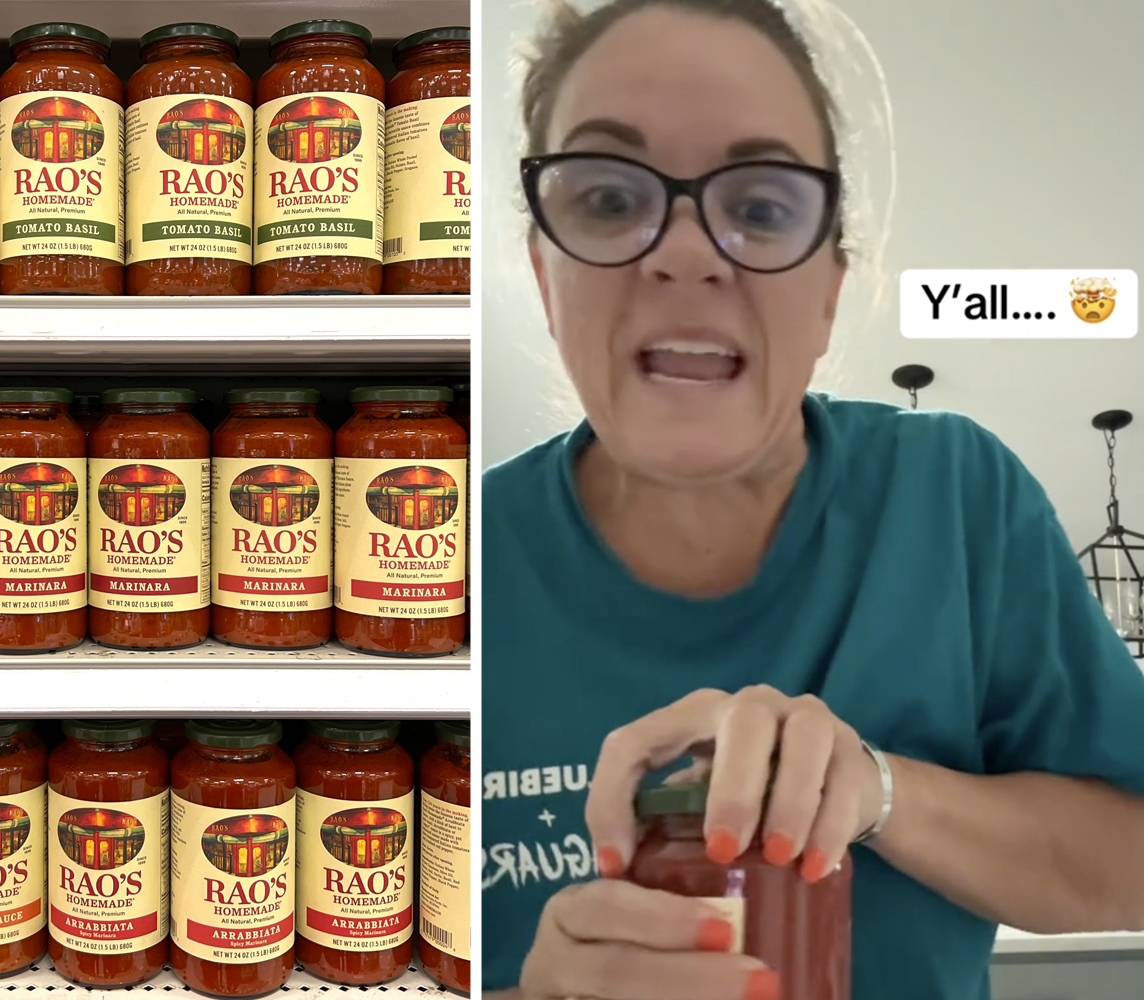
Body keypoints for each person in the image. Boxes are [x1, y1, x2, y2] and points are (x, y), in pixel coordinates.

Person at [480, 1, 1144, 997]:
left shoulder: (956, 495)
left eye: (758, 208)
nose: (686, 252)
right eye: (609, 199)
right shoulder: (444, 560)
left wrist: (879, 788)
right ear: (543, 274)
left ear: (830, 291)